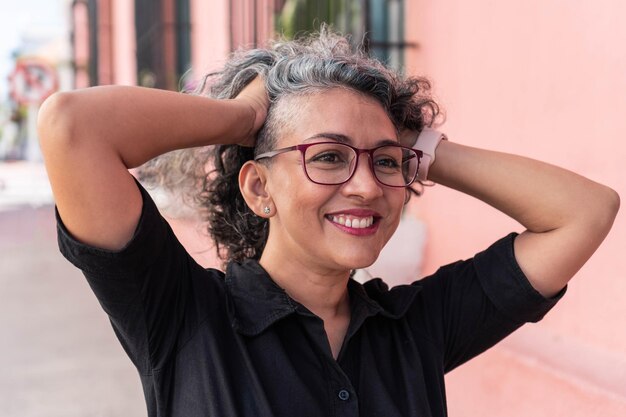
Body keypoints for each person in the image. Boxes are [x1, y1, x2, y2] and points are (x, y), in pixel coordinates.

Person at [38, 29, 619, 417]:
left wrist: (413, 140)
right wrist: (243, 116)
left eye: (387, 163)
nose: (366, 186)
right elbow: (73, 129)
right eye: (329, 156)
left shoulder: (415, 329)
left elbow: (584, 212)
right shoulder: (185, 318)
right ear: (259, 186)